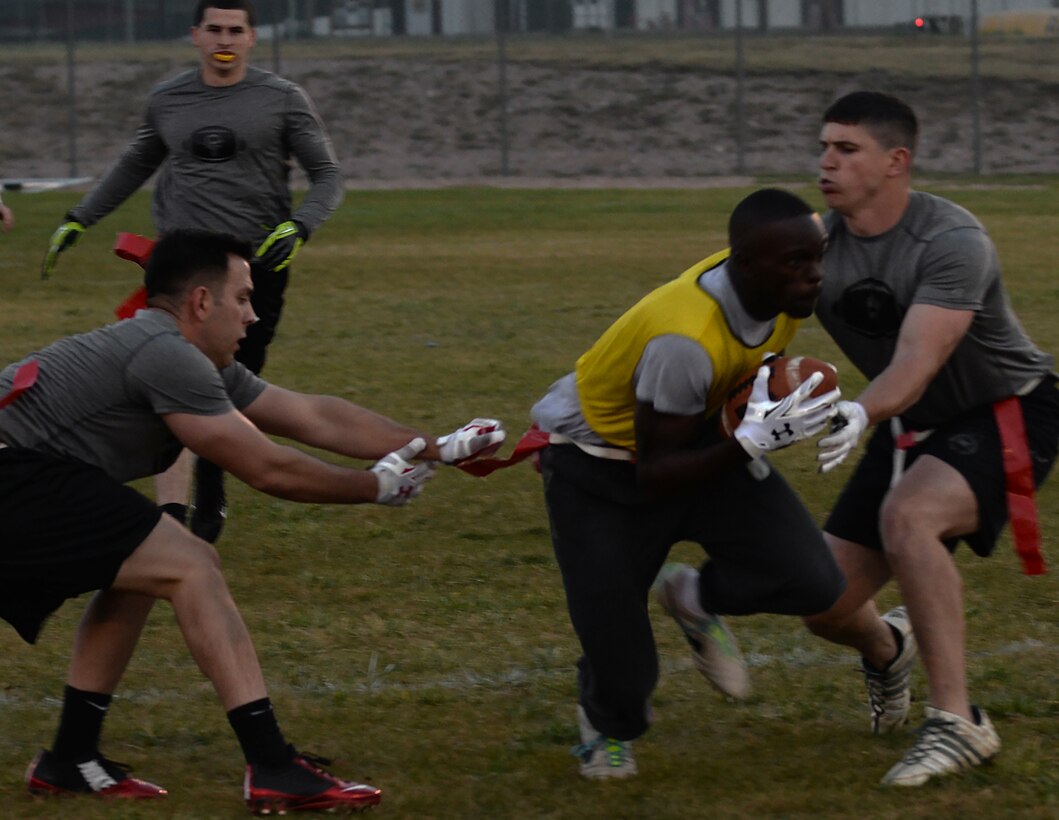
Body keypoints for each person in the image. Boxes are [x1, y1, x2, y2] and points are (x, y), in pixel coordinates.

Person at [1, 230, 505, 812]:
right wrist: (372, 487)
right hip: (15, 476)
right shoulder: (168, 355)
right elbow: (266, 468)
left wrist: (436, 445)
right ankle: (271, 766)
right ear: (200, 303)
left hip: (26, 476)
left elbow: (310, 415)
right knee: (190, 564)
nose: (253, 312)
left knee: (148, 566)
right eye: (242, 297)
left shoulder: (183, 352)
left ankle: (71, 759)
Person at [530, 188, 846, 779]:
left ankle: (692, 598)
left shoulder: (766, 281)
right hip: (600, 463)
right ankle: (606, 722)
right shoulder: (685, 339)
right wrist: (748, 442)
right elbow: (653, 471)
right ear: (747, 265)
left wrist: (829, 406)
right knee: (623, 670)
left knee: (813, 579)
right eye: (797, 264)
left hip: (695, 440)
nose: (814, 276)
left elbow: (744, 389)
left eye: (818, 258)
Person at [805, 91, 1059, 787]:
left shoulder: (950, 239)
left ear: (896, 162)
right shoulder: (814, 245)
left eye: (846, 149)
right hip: (907, 420)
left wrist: (856, 414)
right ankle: (889, 648)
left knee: (908, 516)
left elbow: (916, 362)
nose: (825, 161)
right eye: (824, 145)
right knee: (821, 603)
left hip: (1003, 411)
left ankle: (959, 722)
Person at [40, 0, 343, 544]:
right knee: (172, 377)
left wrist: (300, 227)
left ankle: (211, 481)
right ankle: (176, 514)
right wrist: (79, 217)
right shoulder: (168, 100)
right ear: (195, 35)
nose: (224, 39)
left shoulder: (282, 99)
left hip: (253, 267)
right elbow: (136, 163)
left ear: (252, 38)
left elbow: (327, 176)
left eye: (235, 30)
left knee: (232, 384)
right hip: (179, 264)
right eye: (214, 29)